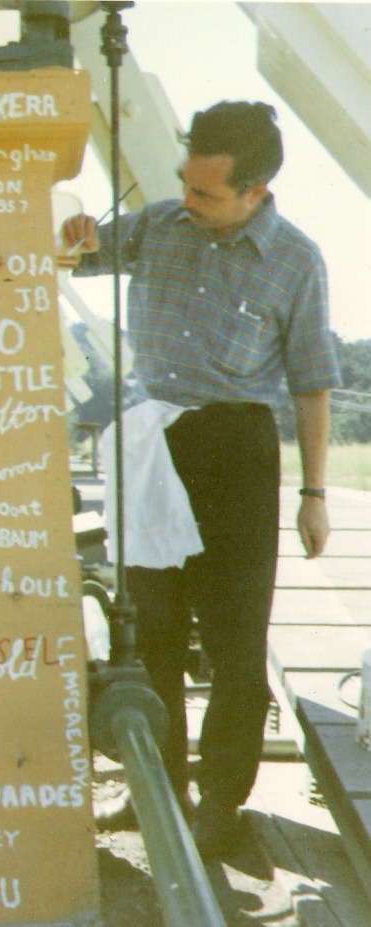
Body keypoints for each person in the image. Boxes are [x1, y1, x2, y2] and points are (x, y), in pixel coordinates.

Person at [61, 101, 342, 857]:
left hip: (236, 448)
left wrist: (314, 496)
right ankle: (158, 785)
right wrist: (75, 230)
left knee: (234, 641)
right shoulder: (156, 224)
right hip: (152, 440)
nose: (189, 201)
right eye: (186, 184)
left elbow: (313, 383)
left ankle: (221, 800)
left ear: (257, 191)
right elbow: (72, 253)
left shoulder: (297, 260)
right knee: (149, 630)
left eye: (207, 193)